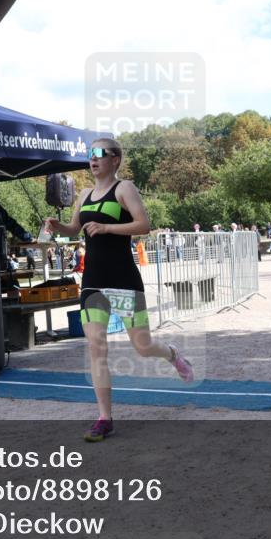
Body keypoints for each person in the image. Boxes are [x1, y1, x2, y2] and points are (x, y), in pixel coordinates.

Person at [44, 138, 194, 443]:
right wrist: (58, 226)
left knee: (143, 346)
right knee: (96, 347)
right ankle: (104, 418)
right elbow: (76, 229)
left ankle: (172, 354)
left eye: (100, 154)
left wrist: (108, 227)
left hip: (123, 278)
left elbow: (144, 224)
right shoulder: (84, 194)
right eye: (90, 154)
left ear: (115, 160)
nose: (93, 158)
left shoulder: (124, 189)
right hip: (93, 281)